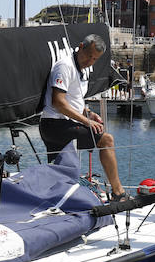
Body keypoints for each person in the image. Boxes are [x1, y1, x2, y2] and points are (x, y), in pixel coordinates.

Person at [39, 34, 126, 198]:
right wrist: (86, 122)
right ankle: (118, 193)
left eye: (95, 59)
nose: (90, 61)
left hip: (66, 123)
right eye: (88, 56)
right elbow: (58, 102)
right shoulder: (64, 66)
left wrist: (89, 114)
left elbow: (74, 101)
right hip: (54, 125)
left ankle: (61, 194)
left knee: (102, 137)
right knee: (106, 140)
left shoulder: (83, 70)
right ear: (80, 47)